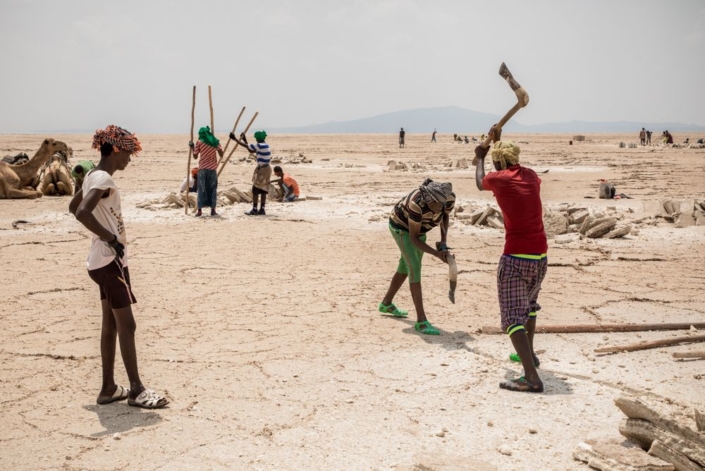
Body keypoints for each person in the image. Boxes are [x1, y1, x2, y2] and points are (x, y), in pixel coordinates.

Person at [69, 125, 168, 409]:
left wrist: (81, 184)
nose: (129, 158)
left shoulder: (93, 176)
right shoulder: (103, 179)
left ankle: (109, 388)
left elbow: (73, 208)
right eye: (127, 152)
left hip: (103, 260)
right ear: (114, 149)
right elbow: (82, 213)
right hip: (109, 260)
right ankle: (136, 390)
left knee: (110, 323)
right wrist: (111, 237)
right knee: (128, 324)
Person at [474, 126, 547, 393]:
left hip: (516, 255)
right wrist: (498, 142)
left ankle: (531, 378)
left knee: (512, 318)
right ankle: (531, 356)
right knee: (529, 306)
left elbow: (480, 181)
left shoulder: (499, 179)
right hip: (540, 255)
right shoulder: (531, 176)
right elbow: (507, 165)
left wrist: (480, 155)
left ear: (498, 162)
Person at [379, 179, 454, 336]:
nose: (439, 208)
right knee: (414, 267)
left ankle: (386, 303)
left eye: (442, 204)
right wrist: (435, 253)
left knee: (405, 267)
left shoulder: (447, 198)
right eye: (436, 205)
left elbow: (445, 216)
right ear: (428, 199)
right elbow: (413, 238)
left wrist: (443, 242)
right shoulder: (416, 204)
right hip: (401, 228)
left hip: (420, 230)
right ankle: (421, 321)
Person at [230, 130, 272, 215]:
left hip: (263, 169)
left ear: (257, 139)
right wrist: (244, 139)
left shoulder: (259, 145)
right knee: (263, 188)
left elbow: (246, 146)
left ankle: (255, 209)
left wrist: (235, 139)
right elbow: (251, 150)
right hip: (267, 168)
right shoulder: (265, 145)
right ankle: (262, 209)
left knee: (255, 189)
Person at [189, 126, 224, 217]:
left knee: (201, 189)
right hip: (212, 169)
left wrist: (193, 147)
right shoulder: (214, 141)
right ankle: (213, 210)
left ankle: (200, 210)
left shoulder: (199, 142)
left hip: (202, 169)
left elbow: (195, 156)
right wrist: (216, 145)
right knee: (212, 189)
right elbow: (221, 154)